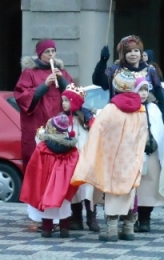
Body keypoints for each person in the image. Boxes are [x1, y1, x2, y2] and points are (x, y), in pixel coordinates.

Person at [71, 69, 148, 242]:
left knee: (112, 192)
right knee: (129, 191)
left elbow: (96, 132)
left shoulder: (110, 109)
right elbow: (143, 135)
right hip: (132, 158)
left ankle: (111, 230)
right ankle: (128, 229)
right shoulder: (141, 110)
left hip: (112, 158)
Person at [14, 39, 72, 171]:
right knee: (37, 164)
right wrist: (45, 85)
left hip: (58, 125)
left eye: (53, 51)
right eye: (47, 52)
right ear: (40, 54)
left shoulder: (61, 72)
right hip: (37, 124)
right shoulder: (29, 73)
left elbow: (72, 95)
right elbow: (22, 97)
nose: (51, 54)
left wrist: (61, 80)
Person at [20, 113, 79, 238]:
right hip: (63, 187)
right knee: (64, 206)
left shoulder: (43, 147)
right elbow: (75, 166)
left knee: (47, 205)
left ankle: (47, 229)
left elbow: (35, 167)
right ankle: (64, 229)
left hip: (47, 184)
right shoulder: (72, 150)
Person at [92, 36, 164, 130]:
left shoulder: (150, 71)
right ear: (123, 54)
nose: (133, 54)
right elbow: (97, 80)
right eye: (129, 51)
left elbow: (160, 98)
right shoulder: (115, 70)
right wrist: (102, 61)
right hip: (120, 121)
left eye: (136, 51)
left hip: (146, 123)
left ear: (141, 53)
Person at [61, 83, 101, 232]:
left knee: (88, 188)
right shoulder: (61, 119)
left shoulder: (87, 118)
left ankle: (92, 218)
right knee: (74, 190)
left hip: (86, 158)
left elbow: (96, 134)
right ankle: (76, 218)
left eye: (67, 100)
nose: (63, 103)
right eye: (63, 100)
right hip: (70, 159)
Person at [133, 77, 164, 232]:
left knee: (149, 186)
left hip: (151, 152)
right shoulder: (129, 107)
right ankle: (131, 218)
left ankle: (145, 218)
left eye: (146, 90)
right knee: (134, 187)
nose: (143, 93)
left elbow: (160, 131)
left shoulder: (153, 108)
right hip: (133, 153)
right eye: (140, 89)